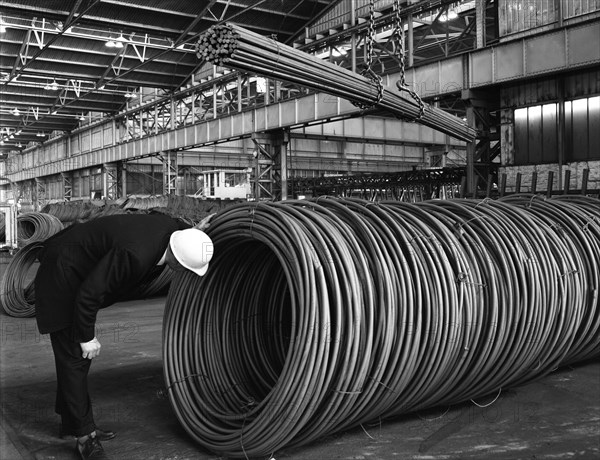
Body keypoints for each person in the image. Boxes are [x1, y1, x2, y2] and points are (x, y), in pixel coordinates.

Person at [34, 212, 214, 460]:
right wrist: (86, 337)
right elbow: (89, 294)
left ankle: (74, 423)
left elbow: (163, 217)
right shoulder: (136, 255)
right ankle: (85, 439)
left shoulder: (174, 230)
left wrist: (195, 229)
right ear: (178, 262)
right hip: (62, 275)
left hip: (76, 259)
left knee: (74, 362)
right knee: (76, 356)